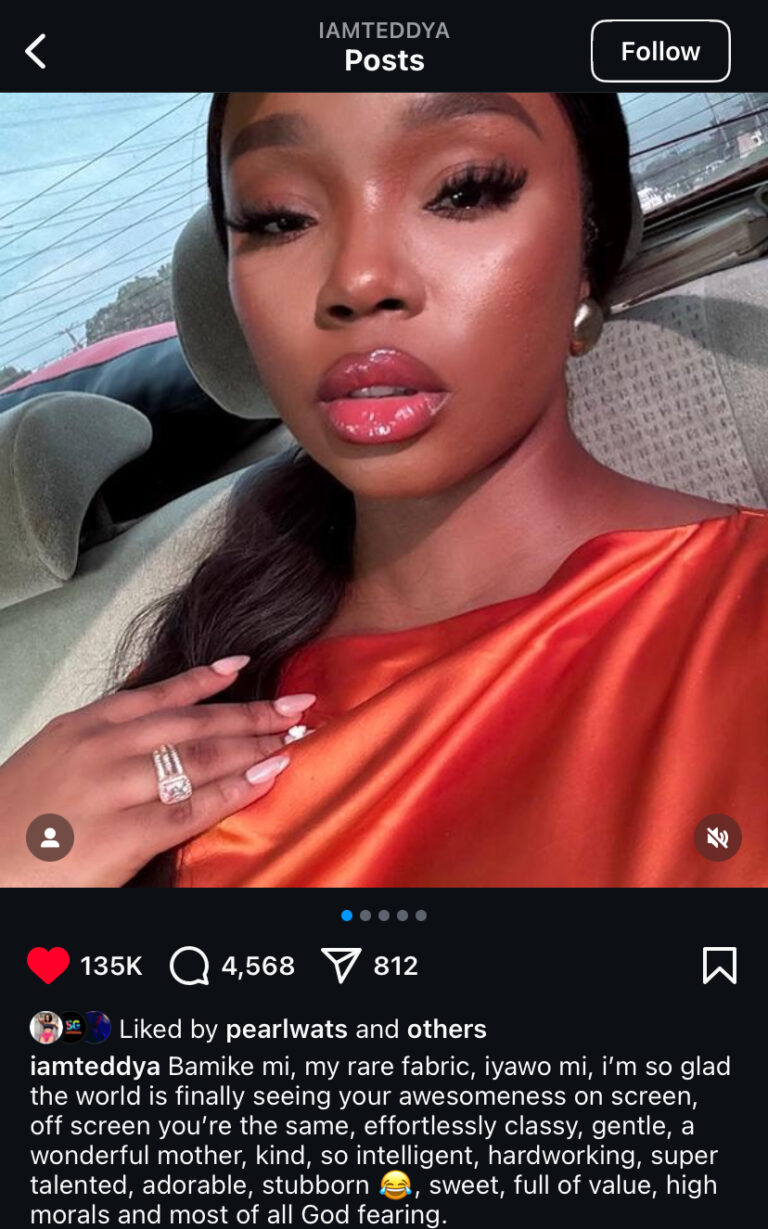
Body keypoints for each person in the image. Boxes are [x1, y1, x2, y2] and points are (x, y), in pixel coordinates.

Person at [1, 91, 766, 888]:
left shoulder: (738, 624)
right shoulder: (187, 683)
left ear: (590, 241)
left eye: (465, 190)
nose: (358, 279)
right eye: (279, 218)